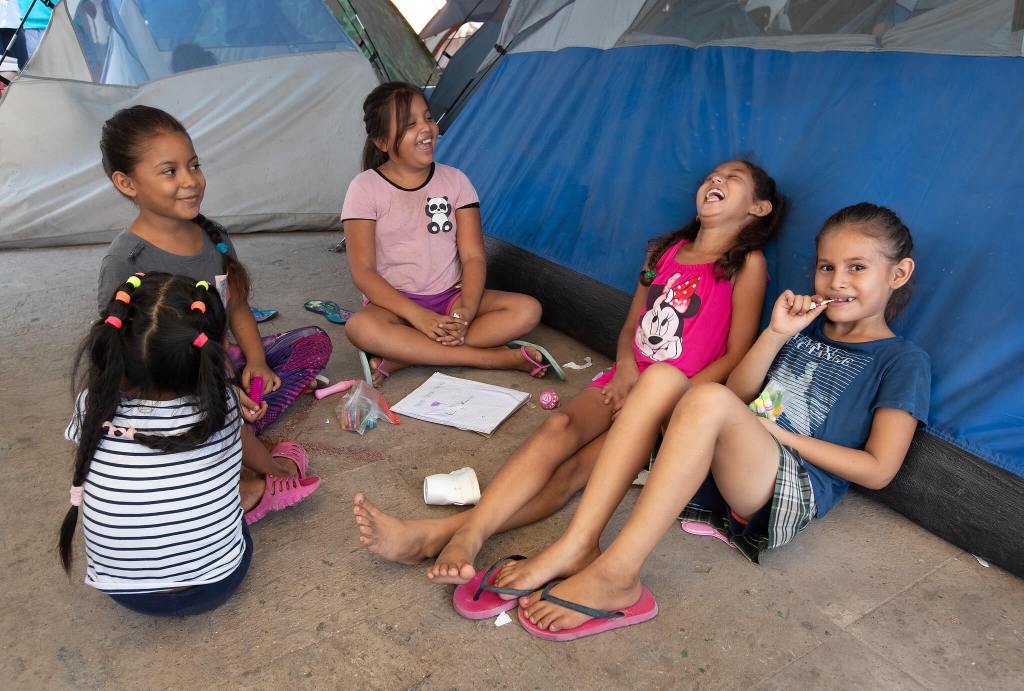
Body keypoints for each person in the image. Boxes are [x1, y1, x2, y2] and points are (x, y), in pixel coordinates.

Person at [353, 158, 786, 590]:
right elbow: (633, 326)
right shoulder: (665, 251)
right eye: (712, 175)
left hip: (672, 403)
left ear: (759, 208)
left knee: (575, 472)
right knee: (558, 427)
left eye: (732, 179)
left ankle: (436, 533)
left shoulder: (747, 264)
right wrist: (625, 368)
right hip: (625, 381)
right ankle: (469, 534)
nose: (715, 180)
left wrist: (674, 399)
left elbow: (736, 353)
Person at [507, 203, 930, 640]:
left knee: (708, 398)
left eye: (856, 267)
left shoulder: (902, 361)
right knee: (662, 378)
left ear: (897, 275)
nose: (837, 281)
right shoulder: (805, 327)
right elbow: (742, 393)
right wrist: (777, 334)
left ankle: (617, 574)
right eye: (827, 266)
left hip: (788, 487)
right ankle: (578, 543)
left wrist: (777, 434)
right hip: (738, 455)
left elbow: (879, 470)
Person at [59, 273, 321, 616]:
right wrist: (278, 468)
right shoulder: (224, 404)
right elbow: (246, 449)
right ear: (213, 352)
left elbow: (95, 466)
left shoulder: (90, 403)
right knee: (229, 465)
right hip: (218, 583)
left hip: (125, 593)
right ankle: (258, 490)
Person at [95, 105, 332, 445]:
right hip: (170, 388)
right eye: (169, 171)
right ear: (126, 183)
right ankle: (231, 423)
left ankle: (235, 420)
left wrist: (256, 363)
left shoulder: (215, 237)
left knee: (312, 342)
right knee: (170, 410)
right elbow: (118, 354)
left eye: (194, 165)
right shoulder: (127, 259)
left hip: (221, 362)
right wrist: (217, 390)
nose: (190, 180)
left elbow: (237, 309)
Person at [341, 81, 556, 387]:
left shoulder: (456, 181)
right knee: (360, 328)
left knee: (527, 310)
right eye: (410, 124)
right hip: (395, 306)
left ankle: (406, 354)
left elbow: (472, 256)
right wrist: (417, 317)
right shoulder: (364, 188)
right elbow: (363, 272)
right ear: (381, 141)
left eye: (428, 118)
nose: (426, 129)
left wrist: (466, 309)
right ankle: (490, 358)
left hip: (451, 298)